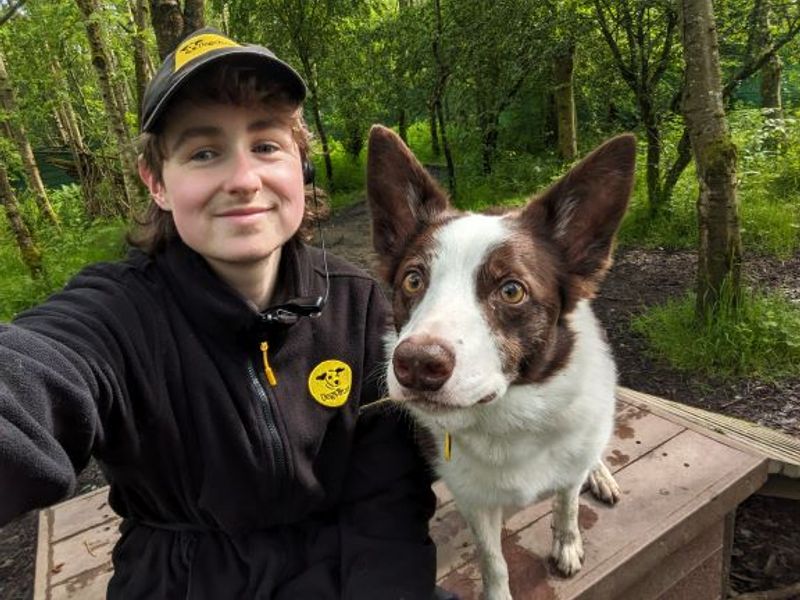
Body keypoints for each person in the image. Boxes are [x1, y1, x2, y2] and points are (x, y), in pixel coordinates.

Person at [0, 27, 438, 598]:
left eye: (266, 146)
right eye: (204, 152)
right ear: (157, 182)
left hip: (341, 565)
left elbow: (388, 495)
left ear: (299, 165)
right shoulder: (116, 315)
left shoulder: (358, 305)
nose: (243, 180)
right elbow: (35, 373)